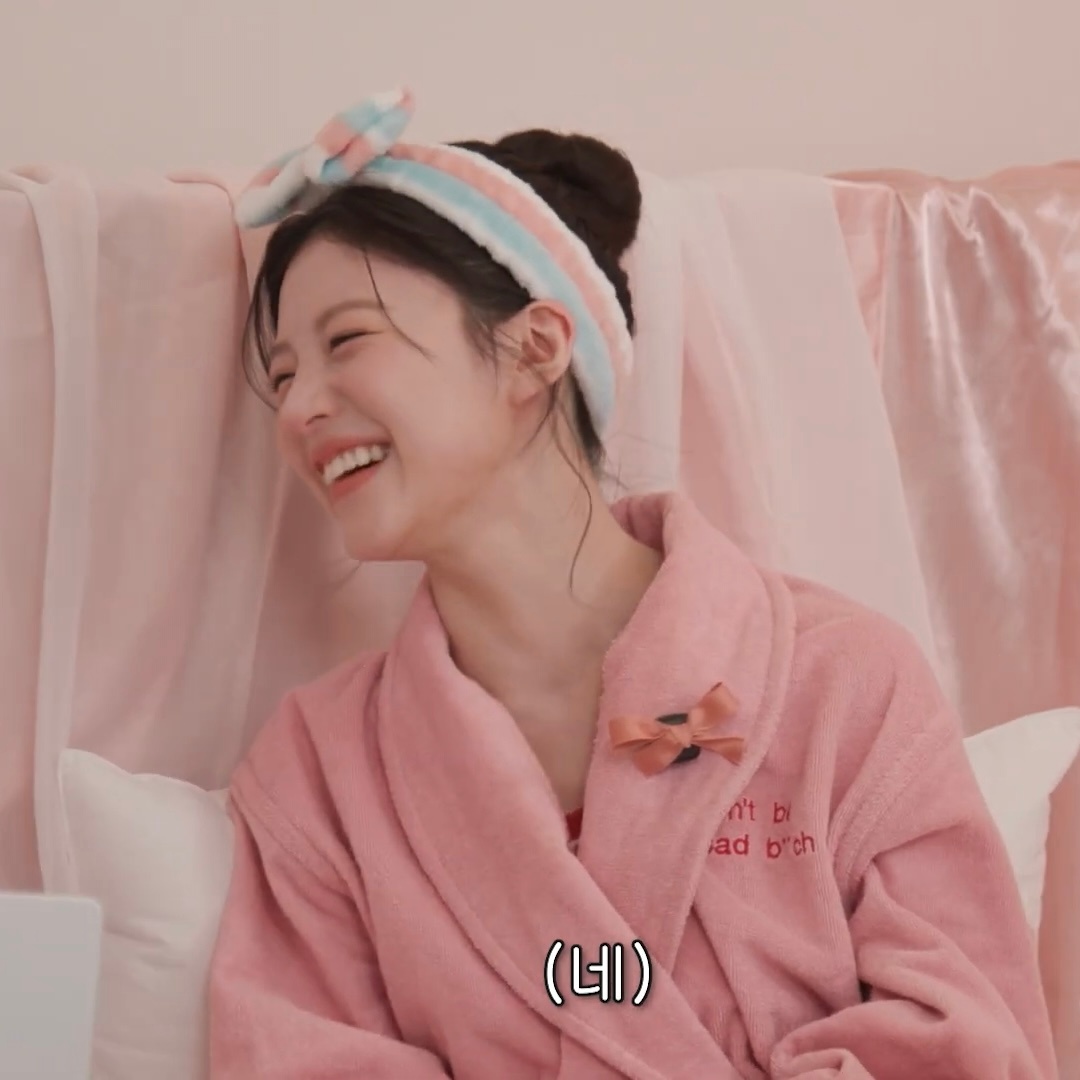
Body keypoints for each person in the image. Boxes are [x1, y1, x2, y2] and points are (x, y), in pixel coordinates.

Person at [208, 90, 1057, 1079]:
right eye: (283, 376)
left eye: (348, 340)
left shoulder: (842, 684)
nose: (300, 409)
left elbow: (970, 1044)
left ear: (535, 348)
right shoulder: (320, 772)